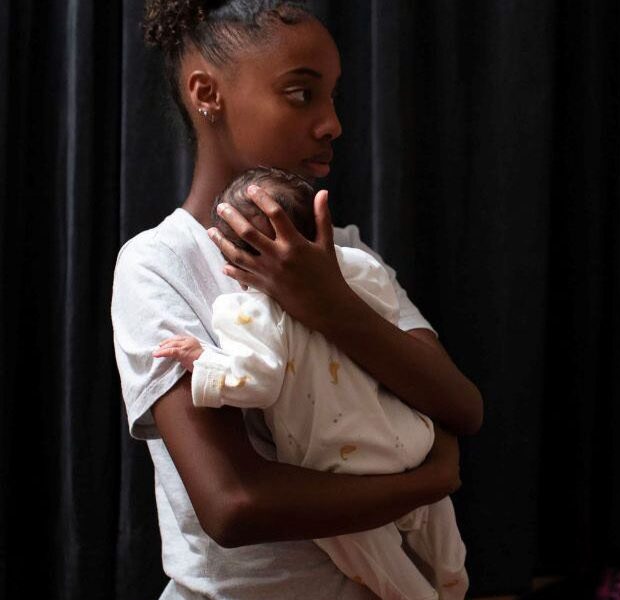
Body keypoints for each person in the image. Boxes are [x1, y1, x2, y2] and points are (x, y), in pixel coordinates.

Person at [111, 2, 482, 598]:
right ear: (207, 93)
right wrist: (426, 483)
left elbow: (461, 406)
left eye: (333, 97)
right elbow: (234, 505)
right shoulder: (159, 264)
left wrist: (328, 302)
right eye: (302, 94)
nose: (333, 124)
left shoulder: (345, 252)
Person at [154, 167, 468, 600]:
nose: (331, 132)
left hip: (340, 469)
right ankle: (455, 581)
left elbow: (257, 383)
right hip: (407, 441)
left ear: (234, 262)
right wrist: (430, 482)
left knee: (378, 564)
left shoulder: (249, 312)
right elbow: (387, 314)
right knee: (443, 537)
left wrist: (203, 361)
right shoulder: (358, 267)